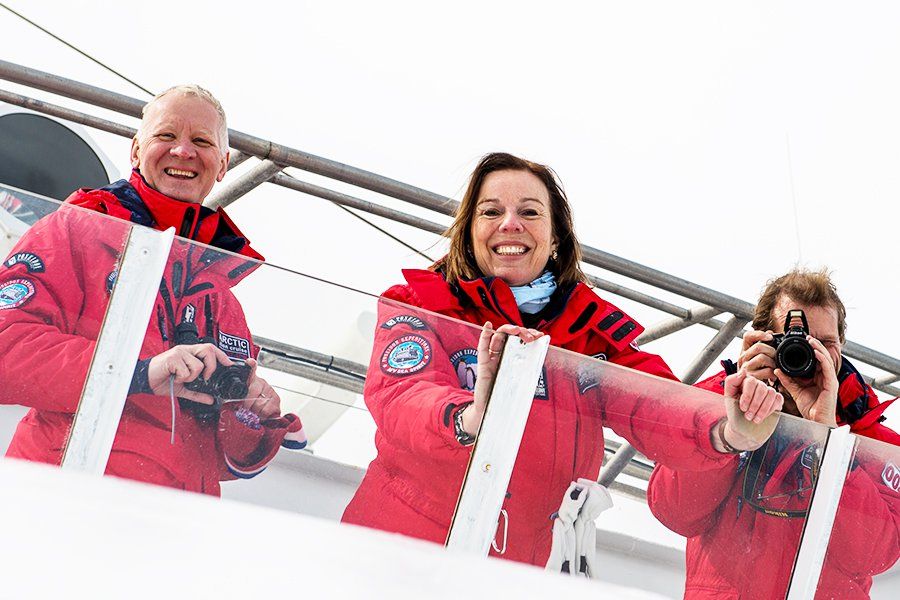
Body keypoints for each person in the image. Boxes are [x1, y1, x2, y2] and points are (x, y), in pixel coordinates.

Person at [341, 152, 782, 566]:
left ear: (555, 237)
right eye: (491, 211)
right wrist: (471, 417)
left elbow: (657, 403)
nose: (510, 224)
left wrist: (727, 427)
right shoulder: (419, 303)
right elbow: (401, 393)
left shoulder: (593, 335)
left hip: (525, 574)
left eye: (529, 212)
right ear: (468, 230)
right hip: (399, 559)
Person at [0, 85, 305, 495]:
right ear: (135, 150)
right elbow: (6, 349)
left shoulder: (221, 293)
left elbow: (220, 461)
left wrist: (251, 416)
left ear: (222, 166)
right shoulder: (74, 229)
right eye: (166, 136)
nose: (183, 151)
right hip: (66, 493)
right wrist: (141, 371)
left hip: (171, 524)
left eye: (201, 141)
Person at [647, 269, 900, 599]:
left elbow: (874, 556)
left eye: (825, 344)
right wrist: (731, 431)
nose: (808, 355)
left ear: (841, 349)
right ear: (762, 341)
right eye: (793, 342)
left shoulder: (872, 440)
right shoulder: (713, 406)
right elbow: (674, 511)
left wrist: (827, 440)